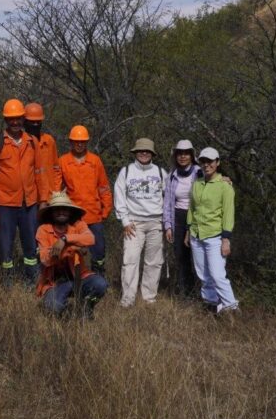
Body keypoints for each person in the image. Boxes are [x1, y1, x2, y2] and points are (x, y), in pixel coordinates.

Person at [0, 99, 49, 286]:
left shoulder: (32, 142)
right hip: (5, 205)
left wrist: (43, 200)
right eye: (11, 119)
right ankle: (7, 284)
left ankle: (33, 282)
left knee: (31, 245)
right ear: (6, 120)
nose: (15, 122)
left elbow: (40, 173)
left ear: (23, 119)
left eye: (18, 118)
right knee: (6, 247)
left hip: (29, 204)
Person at [35, 191, 108, 317]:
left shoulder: (78, 225)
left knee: (100, 285)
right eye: (57, 209)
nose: (61, 212)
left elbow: (90, 238)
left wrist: (64, 240)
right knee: (54, 307)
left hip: (79, 277)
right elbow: (45, 259)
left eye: (64, 209)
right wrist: (73, 248)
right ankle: (64, 313)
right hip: (54, 283)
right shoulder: (43, 230)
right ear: (51, 212)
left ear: (70, 211)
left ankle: (86, 307)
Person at [114, 138, 168, 307]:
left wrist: (167, 223)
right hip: (133, 224)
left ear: (152, 153)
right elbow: (119, 196)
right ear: (135, 152)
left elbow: (170, 197)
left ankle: (149, 298)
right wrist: (125, 221)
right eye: (140, 150)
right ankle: (127, 299)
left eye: (147, 151)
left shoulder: (160, 172)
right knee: (130, 260)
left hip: (156, 223)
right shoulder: (126, 171)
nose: (144, 153)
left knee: (154, 262)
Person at [53, 125, 112, 271]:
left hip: (94, 215)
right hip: (74, 218)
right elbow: (56, 189)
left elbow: (104, 187)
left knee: (98, 252)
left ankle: (98, 277)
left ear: (87, 142)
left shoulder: (95, 161)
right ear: (71, 142)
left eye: (83, 141)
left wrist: (106, 210)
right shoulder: (63, 161)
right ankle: (73, 279)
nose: (79, 144)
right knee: (72, 252)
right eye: (76, 141)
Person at [186, 147, 237, 313]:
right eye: (203, 161)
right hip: (196, 235)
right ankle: (211, 305)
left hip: (215, 236)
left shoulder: (225, 186)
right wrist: (188, 230)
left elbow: (228, 214)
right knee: (203, 275)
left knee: (217, 275)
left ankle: (232, 308)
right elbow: (192, 209)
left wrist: (226, 238)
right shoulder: (197, 184)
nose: (206, 165)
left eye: (210, 161)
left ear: (217, 162)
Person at [163, 140, 201, 298]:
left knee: (198, 257)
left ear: (192, 155)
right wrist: (168, 225)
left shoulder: (199, 172)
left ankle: (205, 294)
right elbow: (167, 202)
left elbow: (214, 181)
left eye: (186, 153)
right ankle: (186, 294)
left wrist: (224, 179)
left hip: (197, 218)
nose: (183, 156)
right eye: (180, 153)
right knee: (181, 257)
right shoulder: (172, 175)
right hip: (178, 217)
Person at [24, 102, 60, 198]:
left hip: (50, 196)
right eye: (32, 122)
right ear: (25, 122)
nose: (35, 124)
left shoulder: (49, 141)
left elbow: (56, 169)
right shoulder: (21, 144)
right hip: (30, 199)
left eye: (38, 122)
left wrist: (56, 191)